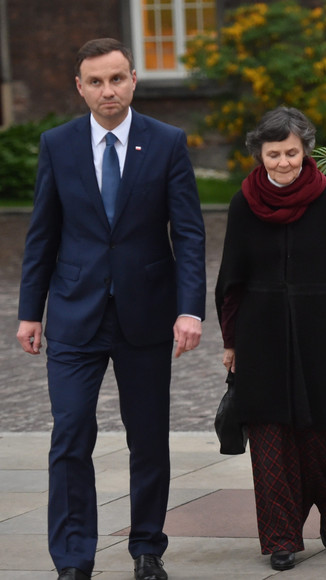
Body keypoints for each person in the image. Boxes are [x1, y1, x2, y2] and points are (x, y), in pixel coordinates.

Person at [15, 38, 206, 580]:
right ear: (79, 87)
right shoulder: (58, 143)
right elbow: (41, 235)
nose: (107, 90)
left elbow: (189, 234)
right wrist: (31, 312)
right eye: (95, 81)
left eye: (116, 79)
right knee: (71, 433)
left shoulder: (166, 142)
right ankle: (73, 558)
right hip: (74, 314)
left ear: (133, 80)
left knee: (148, 437)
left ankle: (147, 547)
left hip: (146, 312)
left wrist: (190, 309)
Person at [215, 106, 326, 572]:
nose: (283, 162)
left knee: (316, 439)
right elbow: (232, 280)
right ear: (258, 155)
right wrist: (231, 341)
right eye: (273, 154)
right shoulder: (244, 201)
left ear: (305, 150)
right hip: (260, 334)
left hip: (319, 333)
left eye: (291, 152)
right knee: (268, 439)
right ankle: (281, 538)